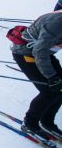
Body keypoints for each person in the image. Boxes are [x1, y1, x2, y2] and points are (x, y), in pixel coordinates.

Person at [10, 11, 62, 139]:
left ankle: (47, 121)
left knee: (60, 88)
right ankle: (29, 123)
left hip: (45, 54)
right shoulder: (57, 23)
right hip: (26, 54)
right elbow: (39, 51)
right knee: (50, 91)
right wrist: (51, 77)